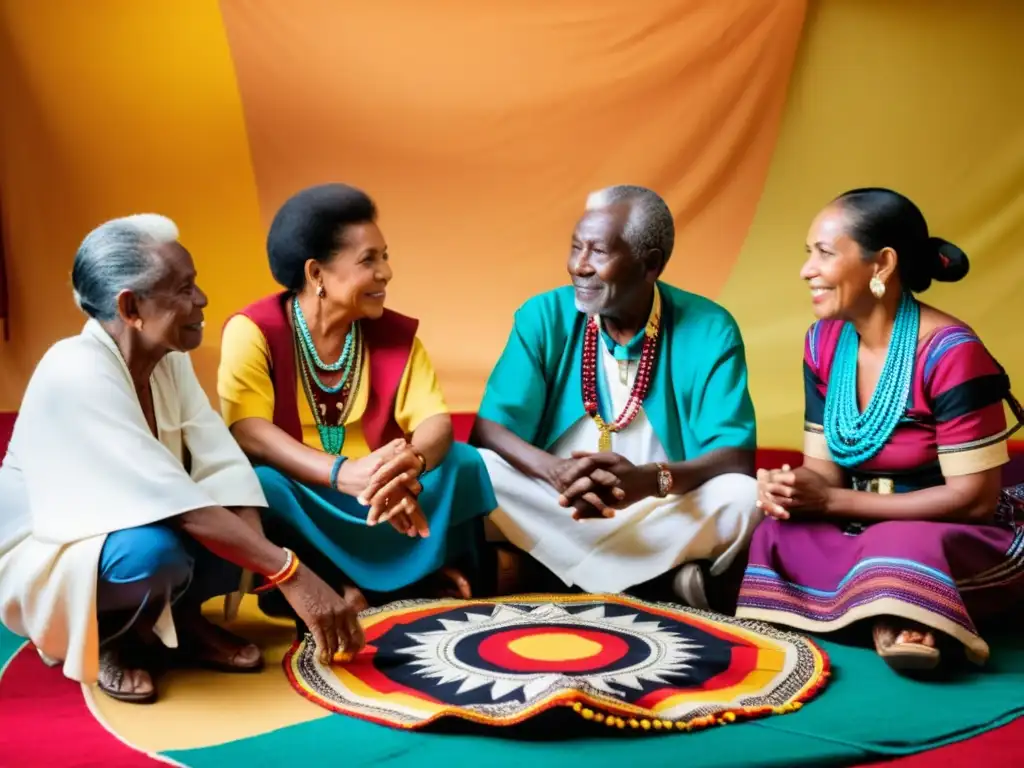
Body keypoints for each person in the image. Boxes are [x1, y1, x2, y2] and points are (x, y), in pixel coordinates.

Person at [0, 215, 365, 704]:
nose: (202, 300)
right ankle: (118, 638)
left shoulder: (166, 356)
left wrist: (257, 554)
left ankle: (181, 623)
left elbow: (219, 461)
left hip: (157, 517)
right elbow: (177, 506)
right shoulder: (74, 370)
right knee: (153, 555)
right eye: (184, 288)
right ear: (131, 307)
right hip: (57, 552)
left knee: (256, 499)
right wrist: (290, 575)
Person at [736, 188, 1024, 674]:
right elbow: (823, 474)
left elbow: (973, 498)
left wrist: (834, 503)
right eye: (809, 254)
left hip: (948, 524)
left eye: (824, 253)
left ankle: (880, 605)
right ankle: (888, 608)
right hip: (861, 523)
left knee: (902, 545)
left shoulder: (950, 351)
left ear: (882, 265)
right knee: (775, 536)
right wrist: (795, 489)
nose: (807, 270)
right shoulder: (822, 342)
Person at [470, 185, 760, 607]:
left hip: (660, 508)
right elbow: (489, 429)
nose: (579, 266)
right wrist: (554, 472)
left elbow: (735, 457)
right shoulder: (542, 314)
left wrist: (650, 480)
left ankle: (546, 572)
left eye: (599, 252)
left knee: (742, 496)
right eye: (575, 247)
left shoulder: (712, 328)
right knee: (473, 468)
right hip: (556, 502)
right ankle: (655, 585)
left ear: (650, 264)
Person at [218, 184, 496, 614]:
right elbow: (248, 431)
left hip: (385, 492)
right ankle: (335, 586)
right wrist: (341, 473)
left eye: (385, 256)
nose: (385, 272)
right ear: (316, 274)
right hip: (305, 489)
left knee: (463, 462)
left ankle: (380, 589)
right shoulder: (253, 330)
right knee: (260, 485)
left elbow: (435, 421)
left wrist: (408, 467)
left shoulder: (393, 336)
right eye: (369, 260)